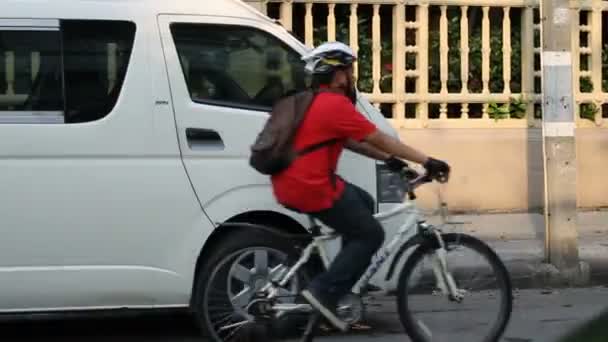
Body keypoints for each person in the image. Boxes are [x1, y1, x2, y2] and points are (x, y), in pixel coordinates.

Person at [270, 41, 451, 331]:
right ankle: (323, 294)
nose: (352, 76)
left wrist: (390, 161)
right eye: (349, 69)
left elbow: (351, 141)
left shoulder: (314, 101)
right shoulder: (334, 104)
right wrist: (427, 160)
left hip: (295, 181)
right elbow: (377, 137)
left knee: (363, 203)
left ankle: (338, 298)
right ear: (338, 74)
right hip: (310, 185)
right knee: (370, 234)